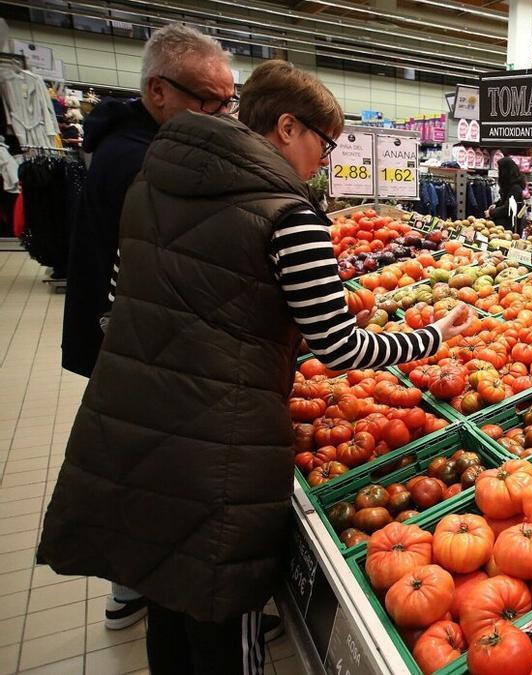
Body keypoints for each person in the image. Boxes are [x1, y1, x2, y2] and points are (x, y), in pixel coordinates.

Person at [38, 60, 473, 674]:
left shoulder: (151, 186)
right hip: (220, 441)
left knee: (166, 590)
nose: (328, 157)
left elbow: (119, 303)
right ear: (288, 127)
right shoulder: (290, 214)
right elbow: (338, 346)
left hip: (135, 418)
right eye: (327, 142)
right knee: (221, 609)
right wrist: (430, 335)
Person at [58, 23, 238, 632]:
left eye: (228, 101)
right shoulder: (142, 162)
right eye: (210, 100)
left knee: (142, 463)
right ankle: (150, 587)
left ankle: (134, 586)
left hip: (129, 341)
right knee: (153, 466)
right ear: (158, 90)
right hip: (137, 345)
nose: (222, 114)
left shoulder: (135, 145)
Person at [488, 156, 528, 234]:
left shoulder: (515, 188)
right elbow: (505, 200)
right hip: (505, 226)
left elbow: (508, 208)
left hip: (509, 228)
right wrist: (496, 205)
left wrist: (491, 212)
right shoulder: (510, 185)